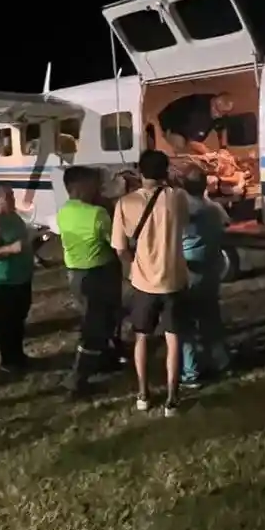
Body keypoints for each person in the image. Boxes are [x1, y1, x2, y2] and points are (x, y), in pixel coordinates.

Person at [111, 149, 189, 416]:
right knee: (173, 340)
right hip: (174, 279)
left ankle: (143, 394)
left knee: (142, 338)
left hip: (143, 282)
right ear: (166, 171)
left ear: (139, 171)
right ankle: (172, 399)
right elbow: (184, 221)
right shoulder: (178, 197)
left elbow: (120, 248)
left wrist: (133, 266)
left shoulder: (125, 203)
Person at [57, 166, 124, 396]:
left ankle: (103, 360)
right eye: (92, 184)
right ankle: (77, 380)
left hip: (76, 274)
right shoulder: (97, 214)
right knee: (95, 326)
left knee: (98, 320)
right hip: (98, 273)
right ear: (77, 187)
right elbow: (116, 240)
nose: (98, 188)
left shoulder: (64, 211)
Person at [177, 168, 232, 389]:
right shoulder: (213, 208)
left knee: (186, 322)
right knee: (211, 316)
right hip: (211, 268)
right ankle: (221, 361)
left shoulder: (181, 210)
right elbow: (226, 224)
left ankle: (190, 372)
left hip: (189, 270)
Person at [0, 183, 35, 370]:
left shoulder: (15, 217)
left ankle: (18, 355)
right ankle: (8, 361)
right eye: (8, 196)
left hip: (22, 278)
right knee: (7, 323)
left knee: (19, 319)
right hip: (4, 282)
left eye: (12, 194)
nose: (12, 199)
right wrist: (10, 249)